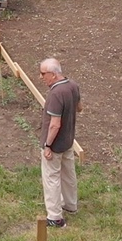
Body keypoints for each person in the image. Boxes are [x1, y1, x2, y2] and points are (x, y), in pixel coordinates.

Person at [39, 58, 81, 228]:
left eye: (43, 74)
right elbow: (79, 108)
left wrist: (48, 145)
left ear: (53, 74)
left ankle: (55, 217)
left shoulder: (56, 94)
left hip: (55, 144)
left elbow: (55, 124)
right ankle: (71, 205)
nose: (41, 77)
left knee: (52, 178)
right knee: (68, 173)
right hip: (68, 140)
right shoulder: (73, 86)